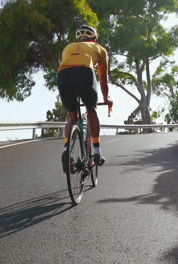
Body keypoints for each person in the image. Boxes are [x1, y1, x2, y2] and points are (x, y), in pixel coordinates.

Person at [57, 25, 112, 172]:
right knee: (91, 110)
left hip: (63, 75)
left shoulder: (67, 47)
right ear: (94, 38)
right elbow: (103, 78)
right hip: (85, 72)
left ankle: (66, 150)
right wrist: (106, 99)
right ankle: (97, 152)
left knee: (72, 117)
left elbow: (68, 67)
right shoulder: (100, 49)